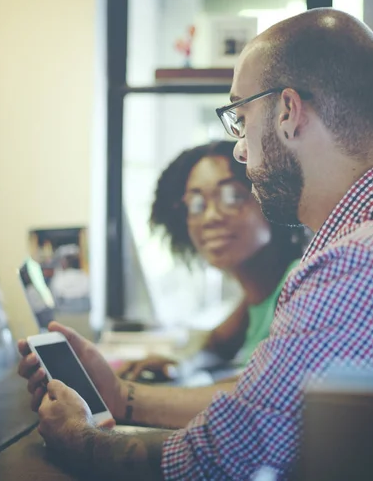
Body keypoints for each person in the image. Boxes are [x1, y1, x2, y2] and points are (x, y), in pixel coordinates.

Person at [17, 9, 373, 480]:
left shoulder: (357, 266)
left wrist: (79, 438)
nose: (240, 148)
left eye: (240, 116)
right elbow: (263, 408)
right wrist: (121, 394)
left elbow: (213, 462)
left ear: (288, 112)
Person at [117, 141, 306, 382]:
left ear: (272, 199)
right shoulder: (256, 296)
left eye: (233, 196)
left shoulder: (298, 284)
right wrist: (178, 364)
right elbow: (215, 345)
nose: (210, 217)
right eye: (196, 204)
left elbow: (261, 391)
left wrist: (125, 396)